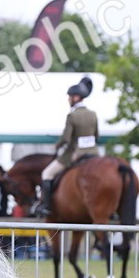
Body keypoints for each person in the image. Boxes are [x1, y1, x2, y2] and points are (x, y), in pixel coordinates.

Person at [32, 76, 99, 217]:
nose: (68, 99)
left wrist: (58, 144)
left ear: (76, 97)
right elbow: (96, 135)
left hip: (76, 153)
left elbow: (67, 138)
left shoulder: (72, 116)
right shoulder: (93, 114)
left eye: (69, 97)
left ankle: (46, 206)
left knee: (47, 173)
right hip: (93, 152)